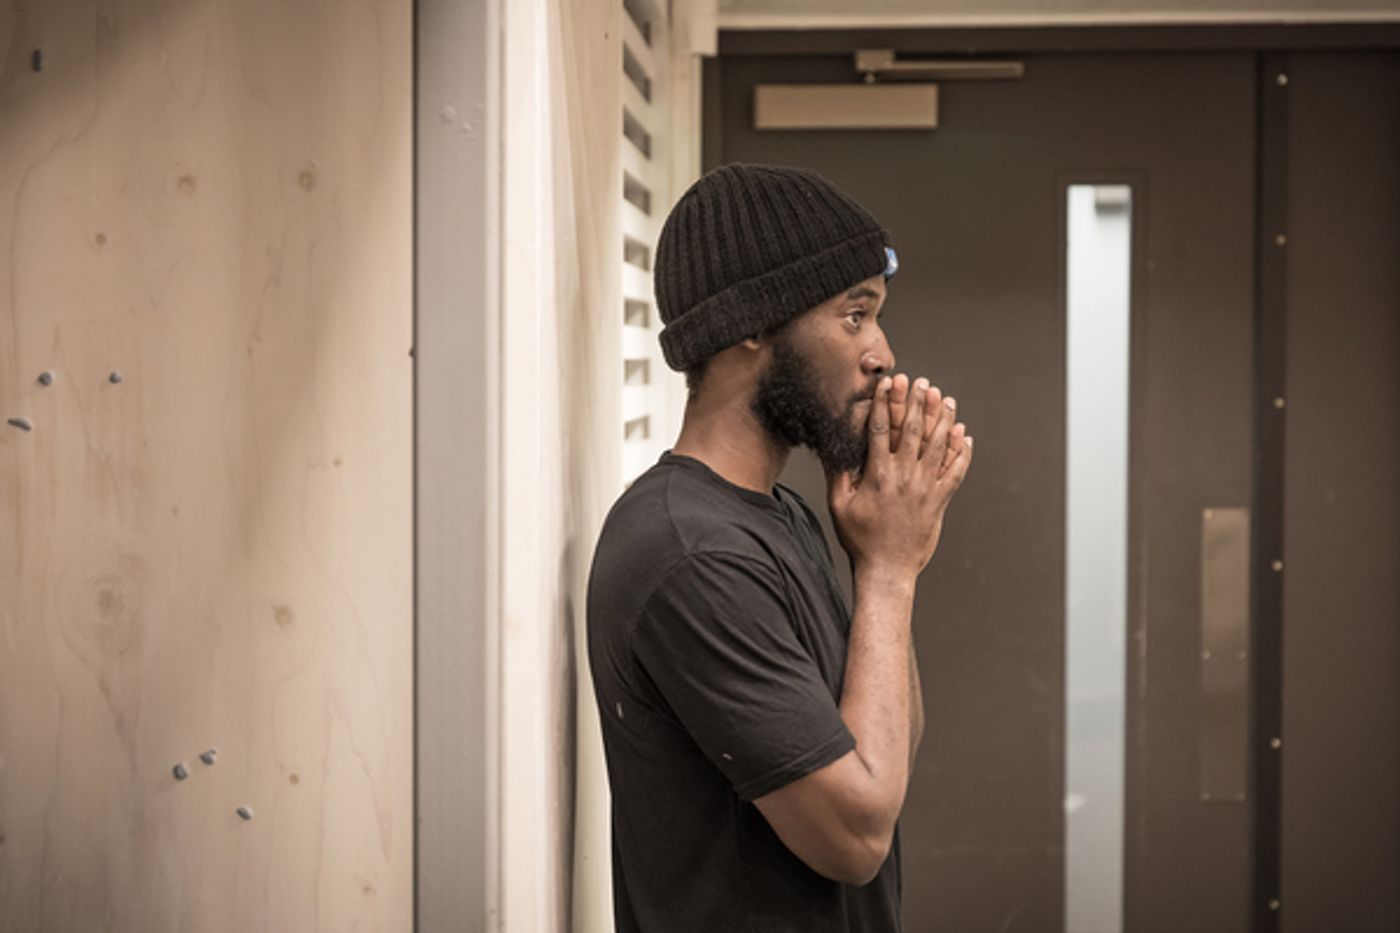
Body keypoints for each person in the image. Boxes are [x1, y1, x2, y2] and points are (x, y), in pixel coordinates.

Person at [587, 163, 973, 932]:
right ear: (754, 324)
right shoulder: (689, 553)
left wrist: (878, 560)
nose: (882, 354)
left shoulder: (781, 516)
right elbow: (858, 834)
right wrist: (893, 572)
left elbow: (886, 748)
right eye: (854, 315)